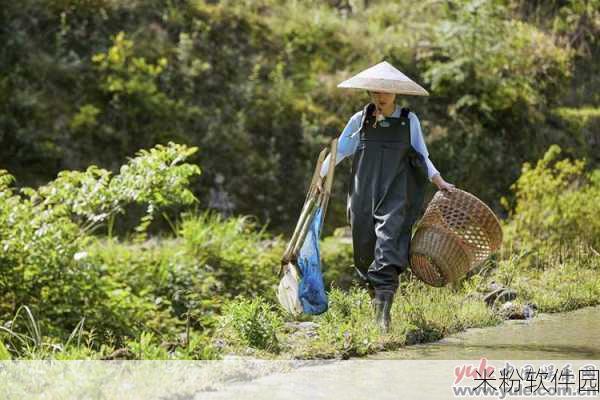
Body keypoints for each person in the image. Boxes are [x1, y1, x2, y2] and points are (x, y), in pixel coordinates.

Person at [317, 61, 455, 332]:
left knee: (389, 246)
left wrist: (439, 181)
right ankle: (377, 303)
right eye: (376, 91)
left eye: (386, 91)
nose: (381, 96)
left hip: (395, 194)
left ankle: (383, 318)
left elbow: (422, 156)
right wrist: (321, 176)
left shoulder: (408, 120)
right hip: (363, 194)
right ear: (370, 93)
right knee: (365, 252)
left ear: (396, 93)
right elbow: (340, 152)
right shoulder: (360, 120)